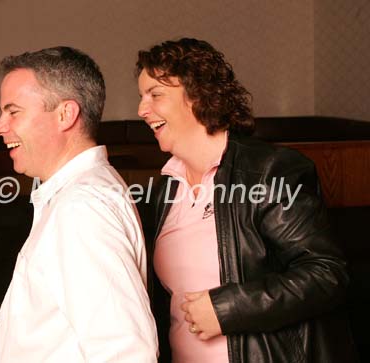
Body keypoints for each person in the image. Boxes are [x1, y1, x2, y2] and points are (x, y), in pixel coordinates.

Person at [136, 38, 358, 363]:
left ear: (197, 97)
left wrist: (229, 308)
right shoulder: (166, 187)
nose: (142, 109)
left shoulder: (268, 170)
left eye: (155, 95)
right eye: (141, 96)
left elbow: (327, 273)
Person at [0, 46, 158, 362]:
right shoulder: (77, 195)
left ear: (66, 114)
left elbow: (126, 352)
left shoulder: (82, 207)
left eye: (13, 111)